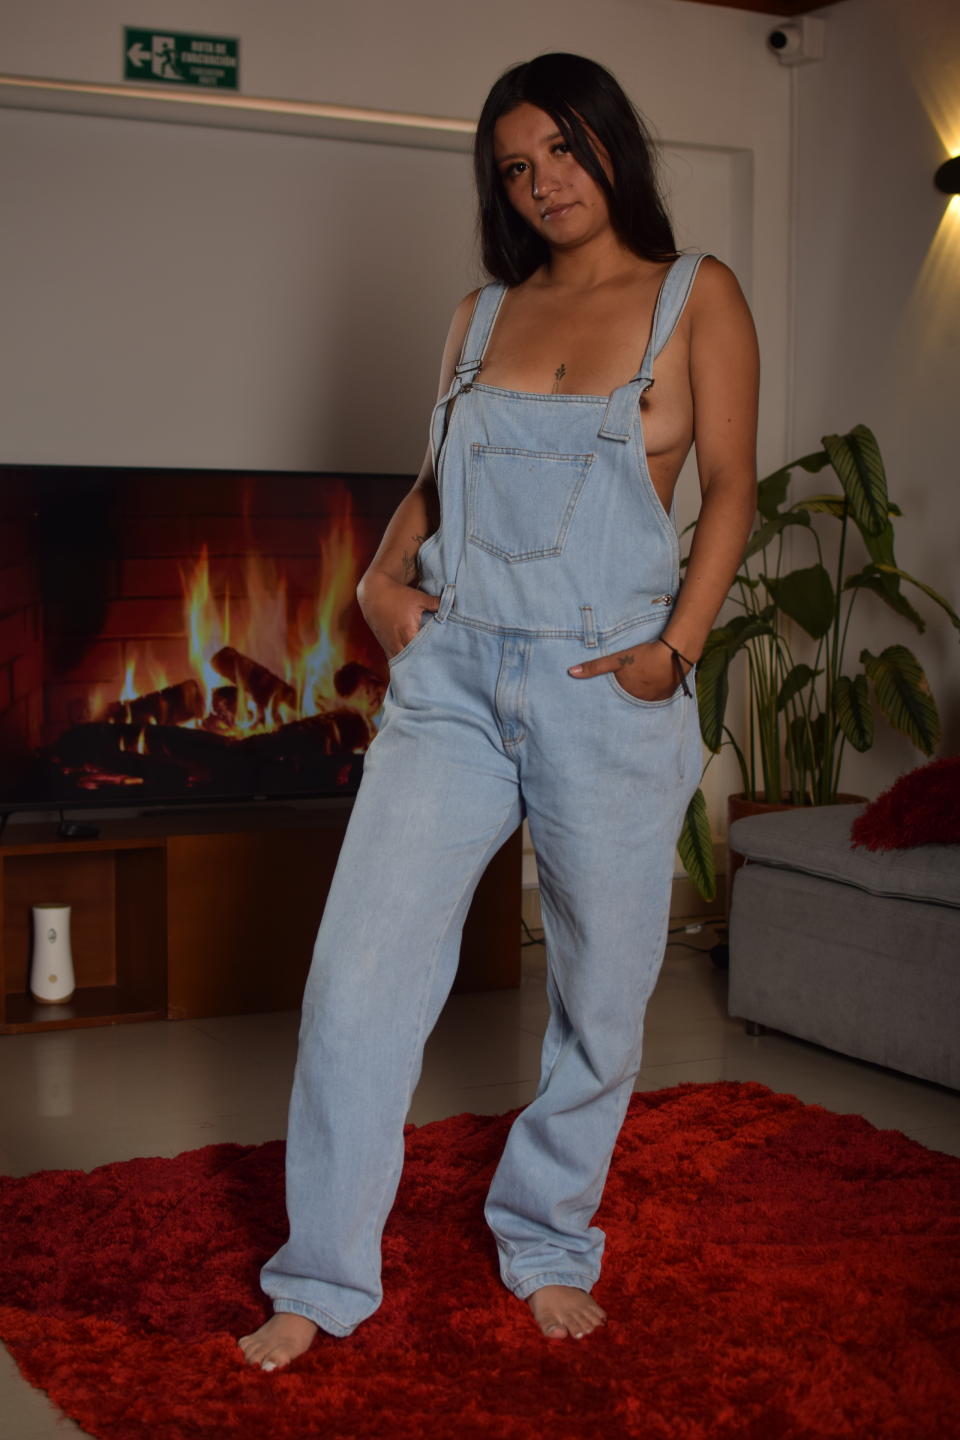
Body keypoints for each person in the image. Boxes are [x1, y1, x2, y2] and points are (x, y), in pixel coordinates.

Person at [239, 51, 758, 1369]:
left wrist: (676, 651)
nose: (544, 183)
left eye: (564, 150)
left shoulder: (697, 295)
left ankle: (546, 1237)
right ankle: (320, 1276)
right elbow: (437, 481)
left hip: (606, 688)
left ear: (611, 143)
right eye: (518, 167)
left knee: (600, 1001)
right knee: (357, 981)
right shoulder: (480, 316)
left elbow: (733, 487)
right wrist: (377, 578)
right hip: (455, 686)